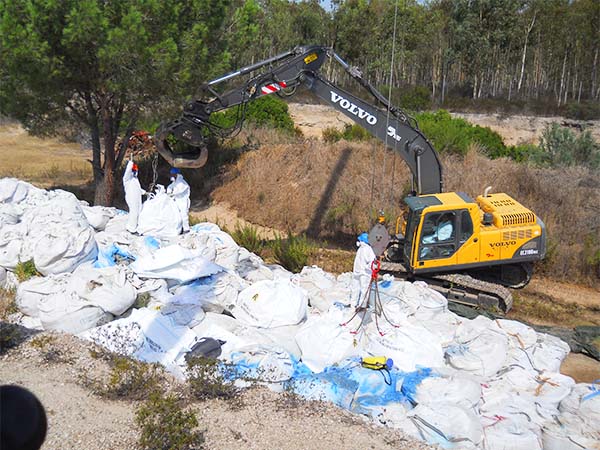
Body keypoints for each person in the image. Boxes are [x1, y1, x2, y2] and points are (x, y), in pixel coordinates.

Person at [351, 232, 377, 308]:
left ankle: (362, 305)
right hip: (357, 273)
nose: (358, 242)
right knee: (355, 289)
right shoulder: (361, 249)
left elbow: (373, 263)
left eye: (360, 240)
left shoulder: (368, 250)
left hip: (364, 274)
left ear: (362, 241)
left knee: (364, 290)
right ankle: (353, 304)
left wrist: (366, 268)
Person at [123, 160, 145, 233]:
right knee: (134, 212)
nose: (135, 172)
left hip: (137, 198)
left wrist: (144, 192)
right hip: (131, 198)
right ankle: (131, 228)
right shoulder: (127, 179)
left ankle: (134, 226)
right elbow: (127, 172)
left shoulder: (135, 180)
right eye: (134, 171)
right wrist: (131, 163)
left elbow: (138, 189)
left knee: (138, 211)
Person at [167, 167, 191, 233]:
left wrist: (171, 193)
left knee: (184, 215)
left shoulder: (182, 182)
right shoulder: (175, 182)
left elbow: (179, 190)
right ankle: (179, 229)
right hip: (177, 201)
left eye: (172, 174)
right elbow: (170, 187)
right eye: (171, 174)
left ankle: (186, 229)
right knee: (177, 215)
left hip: (183, 201)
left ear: (176, 174)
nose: (171, 176)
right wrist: (168, 191)